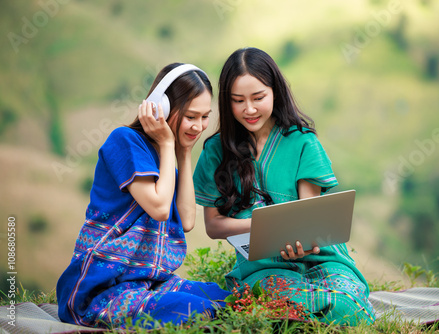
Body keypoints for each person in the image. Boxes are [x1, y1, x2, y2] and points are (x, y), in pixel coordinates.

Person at [193, 48, 375, 325]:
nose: (249, 109)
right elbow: (214, 225)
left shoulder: (302, 142)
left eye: (258, 98)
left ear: (275, 91)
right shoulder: (216, 151)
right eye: (238, 100)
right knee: (281, 306)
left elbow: (310, 220)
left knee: (343, 305)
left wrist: (304, 243)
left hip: (321, 258)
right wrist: (263, 225)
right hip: (262, 264)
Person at [57, 63, 230, 329]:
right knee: (198, 309)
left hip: (148, 282)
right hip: (99, 290)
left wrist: (183, 152)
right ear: (162, 107)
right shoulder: (124, 140)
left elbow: (186, 220)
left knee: (223, 297)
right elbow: (160, 208)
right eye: (191, 116)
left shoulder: (167, 158)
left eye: (205, 117)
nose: (199, 126)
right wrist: (168, 143)